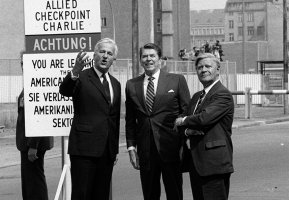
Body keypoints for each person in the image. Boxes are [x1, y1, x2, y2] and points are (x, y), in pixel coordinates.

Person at [125, 43, 190, 200]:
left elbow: (186, 112)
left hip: (171, 148)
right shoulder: (131, 85)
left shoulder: (177, 80)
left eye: (152, 56)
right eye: (145, 56)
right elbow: (130, 120)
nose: (148, 59)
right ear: (140, 60)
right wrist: (131, 148)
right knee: (150, 194)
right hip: (146, 150)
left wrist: (183, 142)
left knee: (174, 193)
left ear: (160, 59)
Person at [59, 38, 121, 200]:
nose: (105, 56)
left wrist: (113, 149)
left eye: (109, 53)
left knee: (101, 195)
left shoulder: (115, 84)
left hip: (106, 152)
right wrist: (74, 72)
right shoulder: (81, 76)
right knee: (82, 194)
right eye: (102, 52)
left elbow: (113, 119)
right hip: (84, 150)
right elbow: (65, 91)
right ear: (94, 55)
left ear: (114, 59)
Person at [174, 53, 234, 200]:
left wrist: (184, 121)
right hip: (197, 163)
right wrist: (187, 127)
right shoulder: (196, 97)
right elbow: (182, 124)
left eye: (208, 66)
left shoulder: (222, 94)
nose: (203, 70)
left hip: (214, 164)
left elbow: (204, 118)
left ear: (218, 69)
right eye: (199, 67)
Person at [16, 55, 54, 200]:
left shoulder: (37, 84)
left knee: (35, 183)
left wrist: (33, 145)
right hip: (26, 143)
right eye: (21, 62)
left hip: (33, 144)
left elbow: (39, 117)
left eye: (25, 62)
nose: (22, 65)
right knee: (29, 182)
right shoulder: (29, 82)